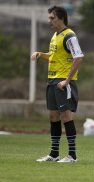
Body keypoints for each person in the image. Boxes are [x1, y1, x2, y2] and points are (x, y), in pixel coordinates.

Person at [31, 6, 84, 163]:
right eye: (48, 18)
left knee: (65, 116)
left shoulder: (70, 36)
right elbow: (55, 56)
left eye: (52, 18)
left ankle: (72, 155)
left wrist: (67, 80)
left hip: (63, 81)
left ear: (61, 18)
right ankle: (54, 154)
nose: (49, 21)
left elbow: (79, 57)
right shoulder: (55, 36)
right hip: (52, 80)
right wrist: (41, 55)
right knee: (53, 116)